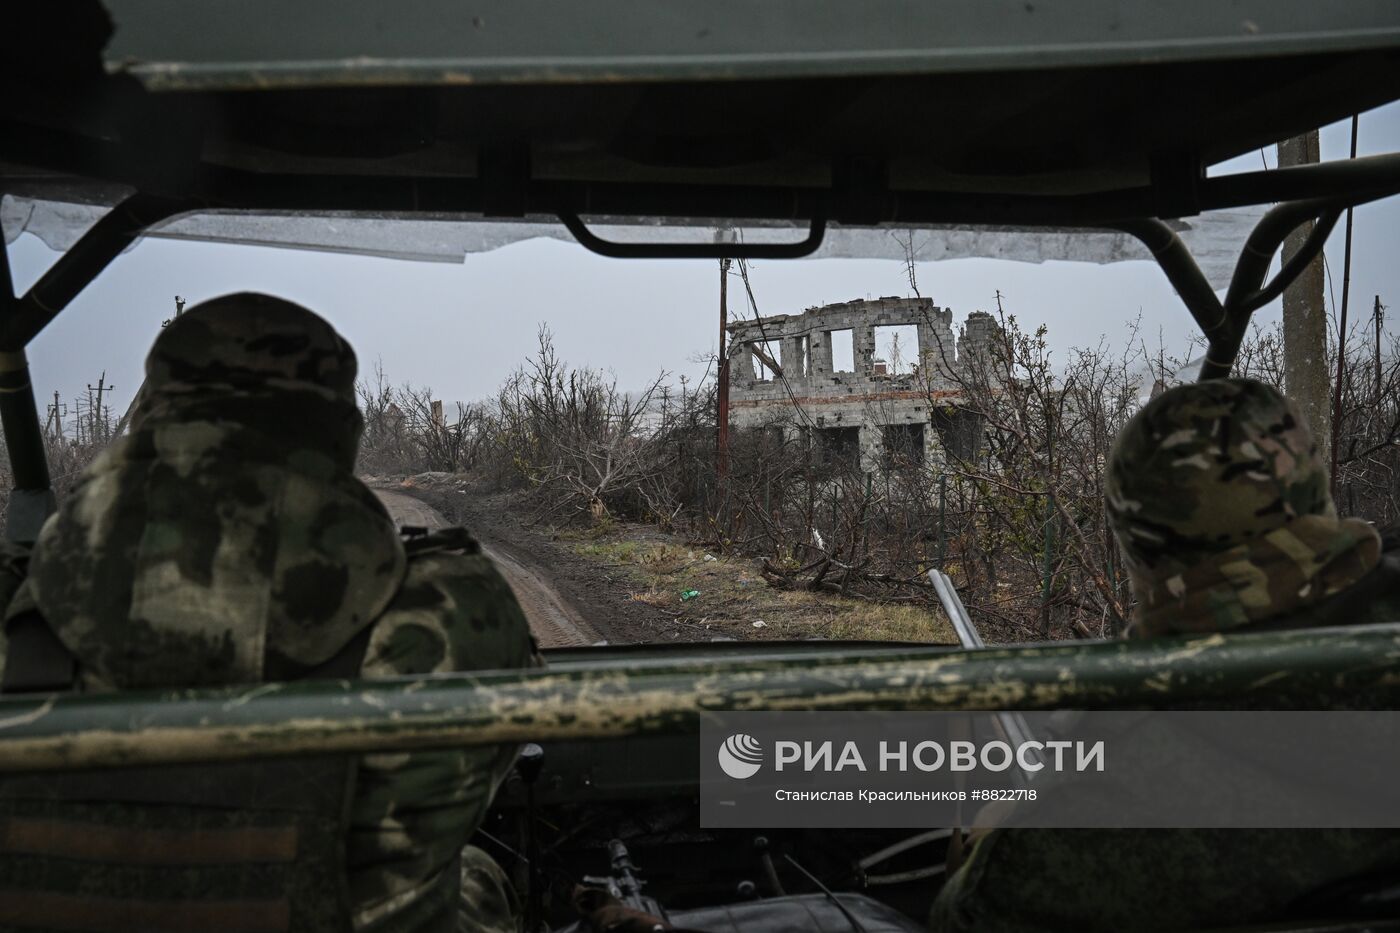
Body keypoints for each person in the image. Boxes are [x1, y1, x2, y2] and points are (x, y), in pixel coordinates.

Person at [0, 293, 538, 933]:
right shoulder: (448, 607)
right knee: (484, 878)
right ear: (337, 432)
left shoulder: (17, 597)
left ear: (152, 415)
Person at [930, 378, 1400, 932]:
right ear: (1309, 477)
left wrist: (995, 833)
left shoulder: (1118, 794)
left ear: (1140, 541)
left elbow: (965, 918)